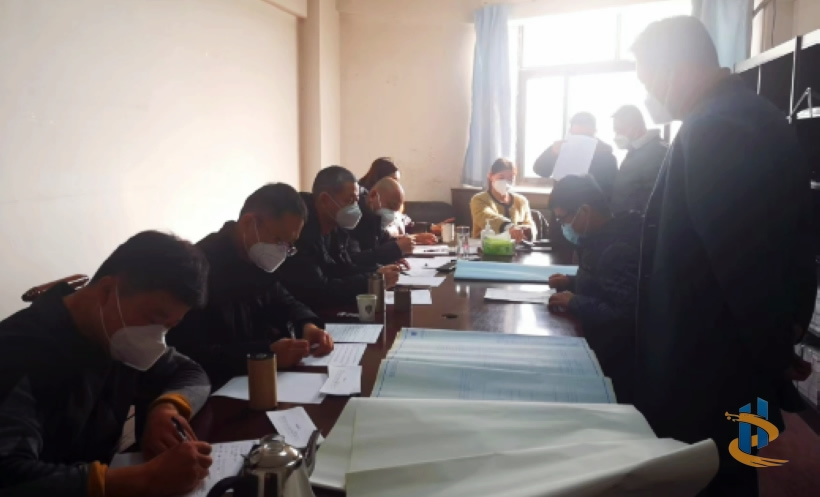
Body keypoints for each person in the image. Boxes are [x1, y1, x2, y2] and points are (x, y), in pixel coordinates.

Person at [632, 16, 816, 496]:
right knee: (733, 469)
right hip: (728, 360)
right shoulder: (740, 113)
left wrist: (774, 354)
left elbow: (744, 264)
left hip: (711, 367)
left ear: (674, 68)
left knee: (711, 477)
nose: (650, 92)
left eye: (648, 79)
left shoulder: (718, 127)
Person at [0, 231, 214, 497]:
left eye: (169, 326)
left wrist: (167, 407)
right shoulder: (16, 352)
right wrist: (143, 480)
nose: (157, 337)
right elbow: (8, 476)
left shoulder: (116, 333)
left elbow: (191, 372)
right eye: (154, 318)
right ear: (106, 291)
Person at [166, 184, 334, 388]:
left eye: (289, 245)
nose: (283, 251)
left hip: (262, 381)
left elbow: (284, 299)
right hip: (218, 389)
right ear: (249, 223)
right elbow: (190, 353)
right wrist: (266, 354)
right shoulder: (199, 269)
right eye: (279, 240)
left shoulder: (257, 258)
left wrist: (307, 324)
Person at [545, 175, 641, 403]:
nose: (563, 226)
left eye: (563, 219)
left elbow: (626, 314)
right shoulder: (601, 236)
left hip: (614, 361)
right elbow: (603, 281)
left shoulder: (617, 247)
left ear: (585, 211)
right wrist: (570, 282)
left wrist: (574, 301)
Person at [277, 166, 401, 309]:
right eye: (349, 200)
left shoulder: (336, 225)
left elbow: (343, 267)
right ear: (324, 200)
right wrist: (370, 281)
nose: (355, 208)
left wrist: (376, 273)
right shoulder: (300, 231)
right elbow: (320, 291)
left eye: (356, 200)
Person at [533, 112, 618, 200]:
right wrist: (552, 153)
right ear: (570, 132)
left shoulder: (605, 155)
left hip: (591, 204)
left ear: (594, 132)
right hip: (562, 202)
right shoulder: (561, 147)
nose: (581, 140)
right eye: (576, 135)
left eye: (586, 136)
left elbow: (610, 189)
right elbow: (540, 170)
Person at [610, 104, 668, 214]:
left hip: (639, 222)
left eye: (619, 130)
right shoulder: (637, 151)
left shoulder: (655, 153)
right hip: (627, 220)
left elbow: (655, 197)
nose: (616, 135)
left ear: (635, 128)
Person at [349, 178, 415, 266]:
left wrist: (392, 257)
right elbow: (353, 261)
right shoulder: (353, 217)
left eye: (396, 210)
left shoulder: (375, 217)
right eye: (391, 206)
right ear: (373, 195)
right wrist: (396, 248)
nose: (392, 214)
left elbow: (377, 248)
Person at [469, 158, 536, 241]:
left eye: (510, 178)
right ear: (490, 176)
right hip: (486, 246)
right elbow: (487, 217)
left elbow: (530, 224)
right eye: (501, 177)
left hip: (516, 247)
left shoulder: (521, 201)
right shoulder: (479, 199)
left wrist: (527, 231)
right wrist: (509, 227)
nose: (506, 182)